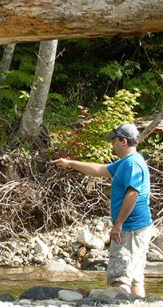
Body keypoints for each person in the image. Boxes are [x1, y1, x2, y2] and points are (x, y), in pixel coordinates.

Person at [53, 123, 153, 297]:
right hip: (136, 228)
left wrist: (119, 224)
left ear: (123, 141)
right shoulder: (126, 163)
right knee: (135, 277)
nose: (111, 144)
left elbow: (132, 194)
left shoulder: (132, 165)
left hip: (130, 228)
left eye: (113, 140)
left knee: (119, 276)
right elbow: (99, 170)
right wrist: (70, 163)